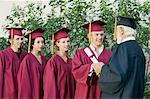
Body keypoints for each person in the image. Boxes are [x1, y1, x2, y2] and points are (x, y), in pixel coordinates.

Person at [93, 16, 145, 99]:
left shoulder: (123, 48)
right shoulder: (138, 49)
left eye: (116, 31)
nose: (116, 35)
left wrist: (102, 70)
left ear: (121, 30)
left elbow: (116, 77)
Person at [72, 20, 112, 99]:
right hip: (85, 93)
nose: (99, 37)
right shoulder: (80, 54)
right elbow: (76, 71)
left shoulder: (110, 55)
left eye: (101, 34)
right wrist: (91, 67)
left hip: (103, 93)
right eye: (96, 34)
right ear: (89, 36)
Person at [43, 28, 75, 99]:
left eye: (68, 41)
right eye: (63, 42)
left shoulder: (71, 61)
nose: (66, 44)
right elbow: (50, 88)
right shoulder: (53, 62)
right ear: (57, 43)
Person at [17, 28, 47, 99]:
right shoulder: (27, 60)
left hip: (43, 92)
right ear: (32, 44)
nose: (41, 44)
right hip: (33, 93)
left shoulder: (44, 59)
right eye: (38, 42)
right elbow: (24, 83)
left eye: (42, 42)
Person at [0, 28, 26, 99]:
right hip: (8, 93)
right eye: (17, 39)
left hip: (22, 93)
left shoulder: (25, 56)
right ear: (10, 40)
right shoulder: (3, 55)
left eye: (21, 39)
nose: (20, 41)